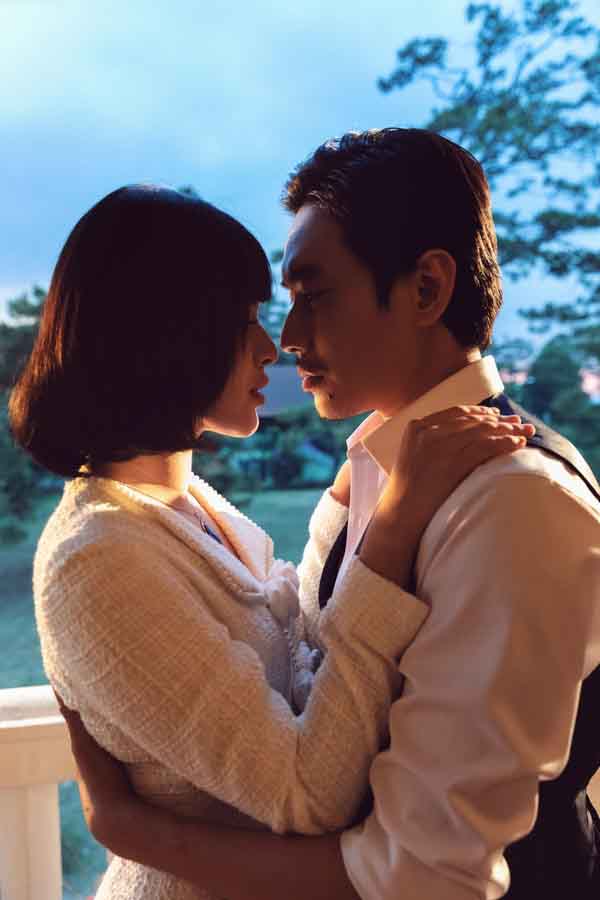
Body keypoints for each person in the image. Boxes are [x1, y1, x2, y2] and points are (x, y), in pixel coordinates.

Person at [59, 129, 600, 900]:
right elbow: (318, 685)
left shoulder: (514, 503)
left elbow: (423, 876)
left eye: (313, 296)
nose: (286, 339)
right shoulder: (376, 472)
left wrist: (135, 830)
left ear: (425, 290)